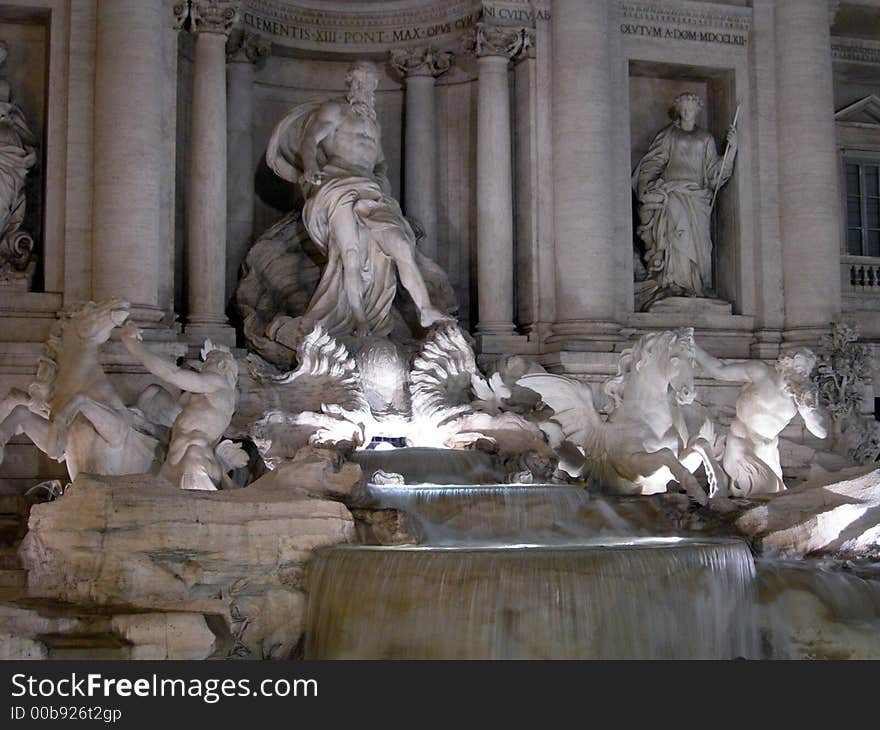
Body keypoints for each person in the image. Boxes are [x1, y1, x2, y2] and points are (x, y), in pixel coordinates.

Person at [266, 60, 451, 341]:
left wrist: (386, 193)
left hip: (371, 191)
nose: (365, 87)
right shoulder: (334, 110)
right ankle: (359, 320)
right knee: (349, 254)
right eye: (360, 81)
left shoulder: (373, 124)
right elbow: (309, 140)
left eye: (370, 82)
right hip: (336, 184)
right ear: (350, 83)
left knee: (401, 245)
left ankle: (425, 308)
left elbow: (380, 165)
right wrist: (311, 166)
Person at [633, 92, 737, 306]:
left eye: (692, 108)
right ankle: (674, 284)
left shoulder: (705, 139)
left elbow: (714, 174)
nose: (688, 112)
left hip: (698, 198)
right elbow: (653, 162)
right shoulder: (669, 134)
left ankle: (696, 285)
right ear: (679, 110)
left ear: (697, 111)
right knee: (678, 236)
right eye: (684, 108)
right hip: (673, 194)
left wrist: (732, 149)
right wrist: (646, 185)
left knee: (703, 246)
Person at [122, 322, 243, 491]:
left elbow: (172, 374)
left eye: (208, 361)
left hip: (194, 459)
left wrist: (133, 345)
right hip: (175, 460)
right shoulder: (212, 399)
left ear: (222, 366)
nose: (203, 366)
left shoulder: (218, 383)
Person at [693, 345, 828, 496]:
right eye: (797, 369)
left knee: (778, 495)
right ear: (785, 364)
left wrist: (808, 411)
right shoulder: (760, 373)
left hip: (768, 451)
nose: (800, 376)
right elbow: (719, 371)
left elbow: (821, 433)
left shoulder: (799, 398)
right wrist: (692, 347)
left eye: (804, 372)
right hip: (742, 444)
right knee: (767, 490)